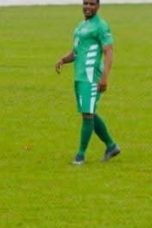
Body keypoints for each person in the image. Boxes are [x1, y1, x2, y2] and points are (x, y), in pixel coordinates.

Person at [55, 0, 121, 166]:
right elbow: (77, 51)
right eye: (86, 3)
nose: (88, 7)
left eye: (92, 4)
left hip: (91, 77)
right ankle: (111, 146)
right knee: (89, 112)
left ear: (98, 6)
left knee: (87, 115)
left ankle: (80, 155)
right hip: (80, 76)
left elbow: (109, 52)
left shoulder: (101, 26)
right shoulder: (81, 26)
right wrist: (64, 59)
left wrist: (104, 76)